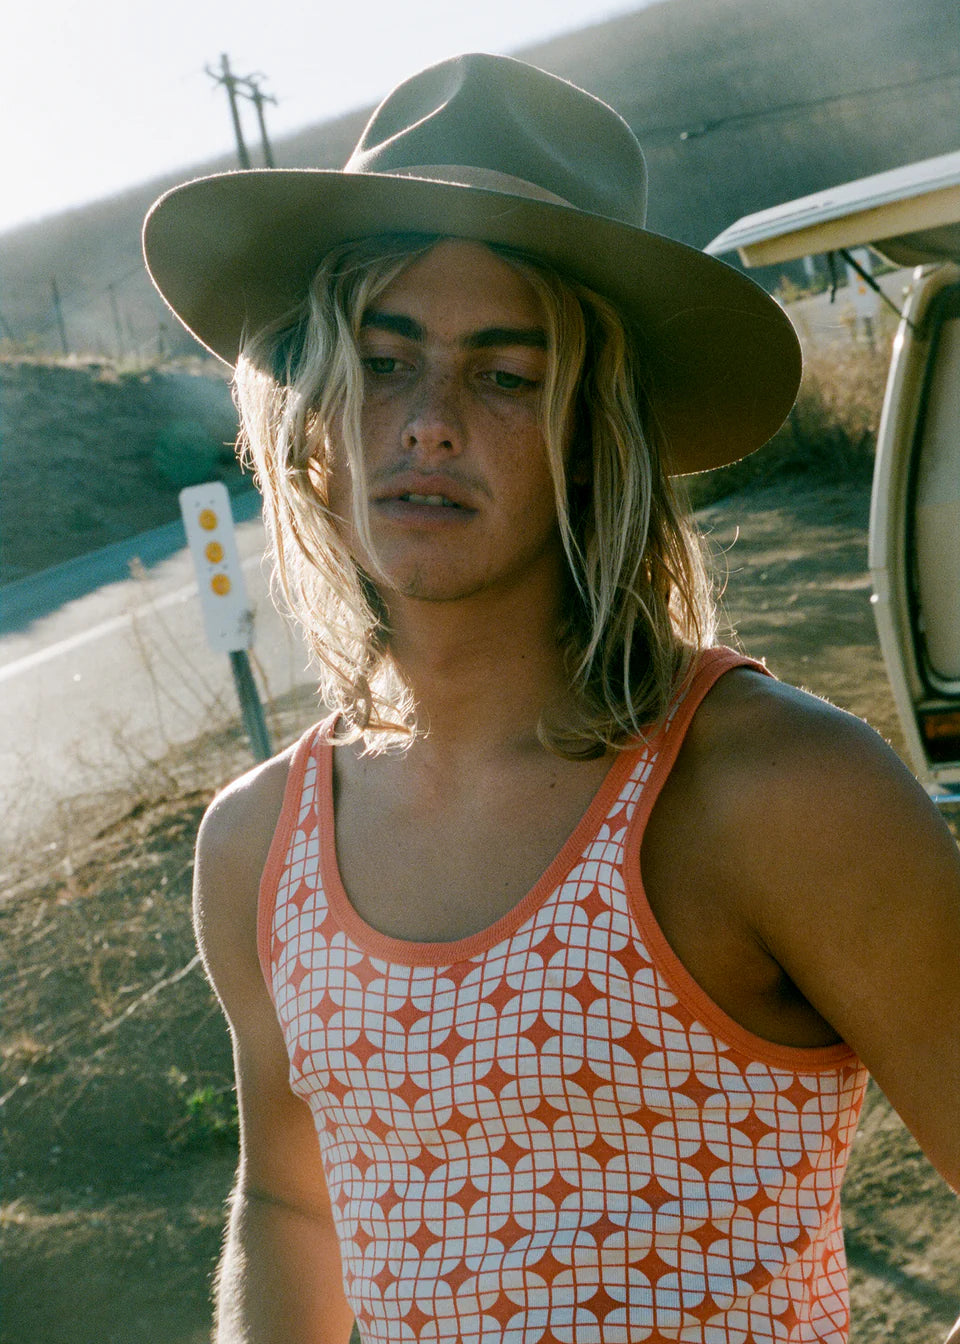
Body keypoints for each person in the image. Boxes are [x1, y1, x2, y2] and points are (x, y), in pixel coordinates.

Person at [144, 52, 959, 1344]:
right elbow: (291, 1206)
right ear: (310, 424)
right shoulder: (257, 849)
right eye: (384, 361)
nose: (428, 423)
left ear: (595, 437)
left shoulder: (773, 793)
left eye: (507, 375)